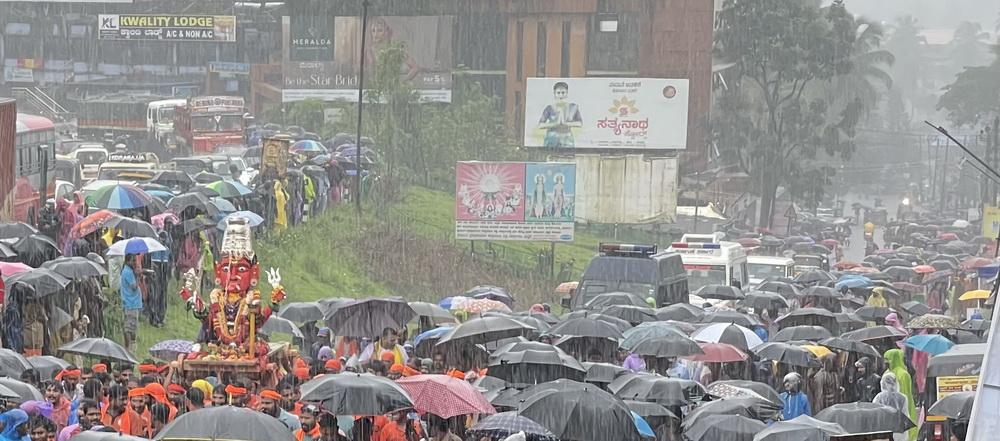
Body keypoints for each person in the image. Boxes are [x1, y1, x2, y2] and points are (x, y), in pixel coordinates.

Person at [536, 82, 583, 148]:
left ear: (567, 94)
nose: (561, 95)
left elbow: (580, 123)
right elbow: (540, 125)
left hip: (567, 140)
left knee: (568, 156)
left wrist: (566, 124)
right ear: (554, 94)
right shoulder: (549, 108)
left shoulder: (573, 107)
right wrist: (555, 124)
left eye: (563, 93)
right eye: (558, 93)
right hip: (551, 139)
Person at [884, 349, 917, 440]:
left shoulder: (903, 374)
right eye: (885, 359)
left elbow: (906, 393)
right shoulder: (887, 373)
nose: (886, 362)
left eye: (888, 359)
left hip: (901, 407)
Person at [873, 372, 910, 441]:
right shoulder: (903, 398)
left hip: (883, 432)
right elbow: (905, 416)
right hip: (899, 433)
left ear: (882, 384)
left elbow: (875, 417)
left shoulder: (878, 398)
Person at [120, 254, 143, 353]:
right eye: (133, 261)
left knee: (131, 327)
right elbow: (134, 287)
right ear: (128, 261)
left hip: (131, 303)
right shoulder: (128, 272)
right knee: (129, 328)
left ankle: (130, 347)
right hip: (131, 303)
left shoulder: (128, 271)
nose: (135, 263)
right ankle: (129, 349)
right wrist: (138, 276)